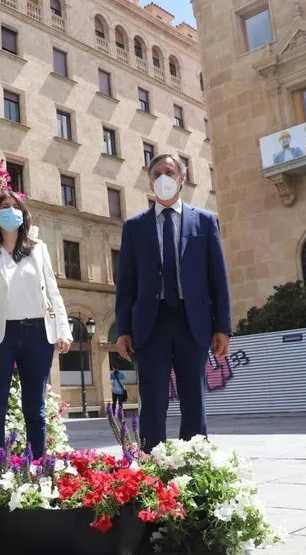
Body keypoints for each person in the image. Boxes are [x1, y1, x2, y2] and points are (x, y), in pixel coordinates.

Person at [114, 154, 232, 453]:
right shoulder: (134, 226)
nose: (163, 177)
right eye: (157, 173)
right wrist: (123, 329)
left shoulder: (205, 221)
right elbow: (126, 283)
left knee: (194, 396)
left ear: (181, 178)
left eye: (169, 171)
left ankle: (193, 461)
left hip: (192, 320)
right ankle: (151, 466)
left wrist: (223, 327)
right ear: (151, 181)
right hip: (151, 322)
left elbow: (218, 277)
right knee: (153, 398)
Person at [0, 191, 72, 457]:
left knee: (35, 408)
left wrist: (63, 330)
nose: (11, 210)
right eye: (5, 206)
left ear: (23, 214)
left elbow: (52, 292)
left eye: (16, 206)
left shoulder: (38, 249)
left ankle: (39, 467)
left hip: (38, 333)